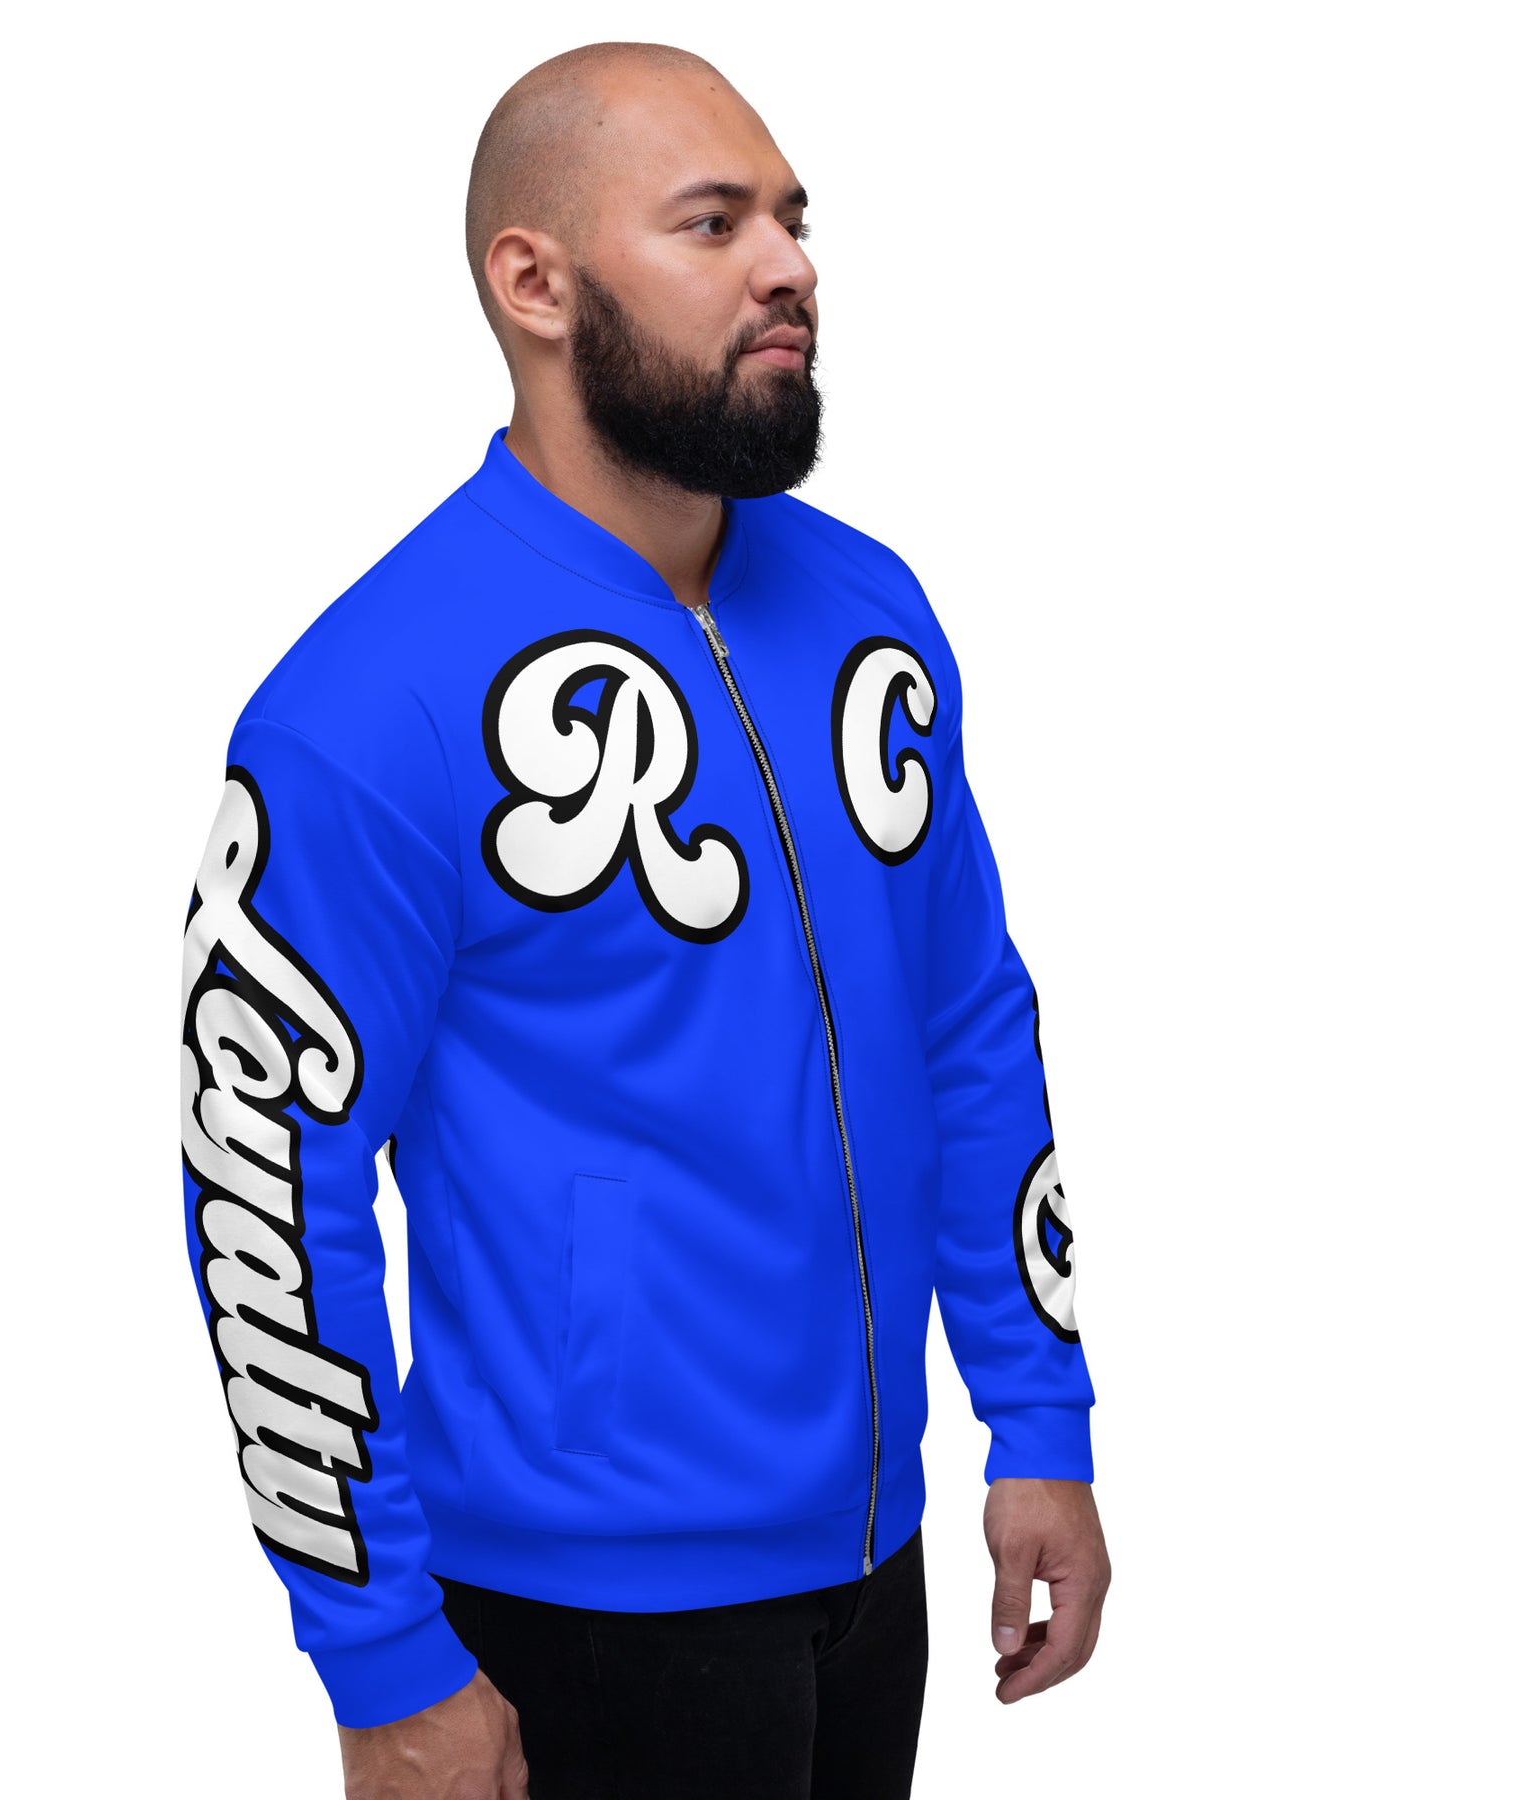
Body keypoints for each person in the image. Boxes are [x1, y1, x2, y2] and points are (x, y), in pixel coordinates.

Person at [178, 39, 1110, 1800]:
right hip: (575, 1614)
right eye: (713, 223)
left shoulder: (869, 613)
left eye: (793, 220)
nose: (789, 267)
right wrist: (381, 1657)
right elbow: (267, 1185)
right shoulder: (366, 703)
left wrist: (1036, 1418)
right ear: (533, 285)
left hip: (876, 1565)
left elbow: (968, 1021)